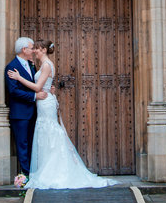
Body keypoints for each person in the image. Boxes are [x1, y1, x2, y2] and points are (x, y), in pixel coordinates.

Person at [7, 39, 117, 189]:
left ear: (44, 50)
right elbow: (37, 86)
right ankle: (42, 169)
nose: (35, 51)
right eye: (33, 49)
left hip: (45, 103)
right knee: (44, 135)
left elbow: (38, 86)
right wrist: (46, 89)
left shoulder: (46, 65)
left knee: (50, 133)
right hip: (40, 104)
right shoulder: (33, 65)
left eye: (37, 49)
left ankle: (54, 171)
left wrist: (21, 79)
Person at [4, 36, 47, 184]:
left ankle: (32, 173)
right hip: (20, 113)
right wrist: (34, 96)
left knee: (31, 143)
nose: (34, 50)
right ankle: (26, 176)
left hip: (33, 112)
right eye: (31, 48)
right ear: (24, 49)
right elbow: (14, 91)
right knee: (22, 145)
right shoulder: (11, 67)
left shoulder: (31, 64)